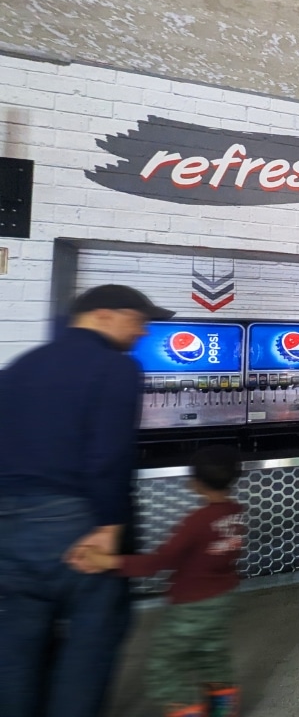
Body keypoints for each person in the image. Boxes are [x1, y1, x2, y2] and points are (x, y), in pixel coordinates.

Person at [0, 284, 174, 717]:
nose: (143, 332)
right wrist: (111, 527)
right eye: (138, 320)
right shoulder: (114, 367)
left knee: (16, 646)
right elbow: (108, 455)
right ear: (103, 315)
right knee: (91, 641)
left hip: (8, 523)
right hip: (78, 521)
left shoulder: (20, 366)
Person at [78, 446, 245, 717]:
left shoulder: (196, 522)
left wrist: (110, 562)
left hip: (192, 605)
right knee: (211, 653)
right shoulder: (236, 513)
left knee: (165, 663)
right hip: (223, 599)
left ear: (195, 483)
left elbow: (158, 562)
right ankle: (223, 712)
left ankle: (188, 711)